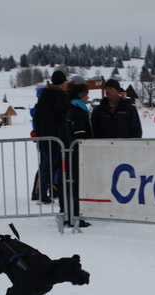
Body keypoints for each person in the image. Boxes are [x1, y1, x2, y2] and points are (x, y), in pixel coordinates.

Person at [33, 70, 70, 204]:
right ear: (62, 82)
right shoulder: (60, 97)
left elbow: (36, 117)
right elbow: (63, 117)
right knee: (59, 167)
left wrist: (39, 133)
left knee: (45, 167)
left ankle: (43, 194)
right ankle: (59, 193)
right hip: (58, 138)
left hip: (44, 138)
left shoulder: (43, 97)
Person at [63, 81, 93, 228]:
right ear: (82, 95)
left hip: (72, 152)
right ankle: (76, 216)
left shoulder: (72, 109)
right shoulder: (79, 111)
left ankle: (71, 215)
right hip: (77, 154)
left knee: (72, 185)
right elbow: (80, 136)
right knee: (77, 186)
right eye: (87, 94)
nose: (88, 97)